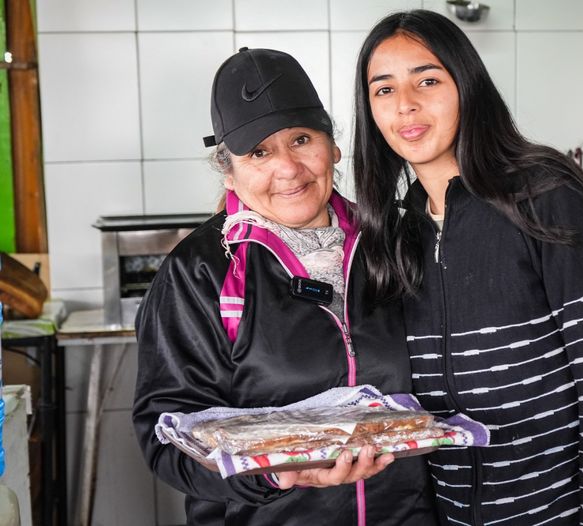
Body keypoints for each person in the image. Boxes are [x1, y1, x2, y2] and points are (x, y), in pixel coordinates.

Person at [352, 10, 583, 526]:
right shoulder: (393, 235)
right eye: (383, 90)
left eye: (428, 81)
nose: (406, 105)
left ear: (467, 86)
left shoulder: (540, 194)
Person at [132, 47, 438, 526]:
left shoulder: (392, 242)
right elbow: (165, 435)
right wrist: (274, 474)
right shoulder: (200, 272)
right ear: (229, 170)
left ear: (332, 147)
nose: (288, 169)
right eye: (259, 152)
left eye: (301, 139)